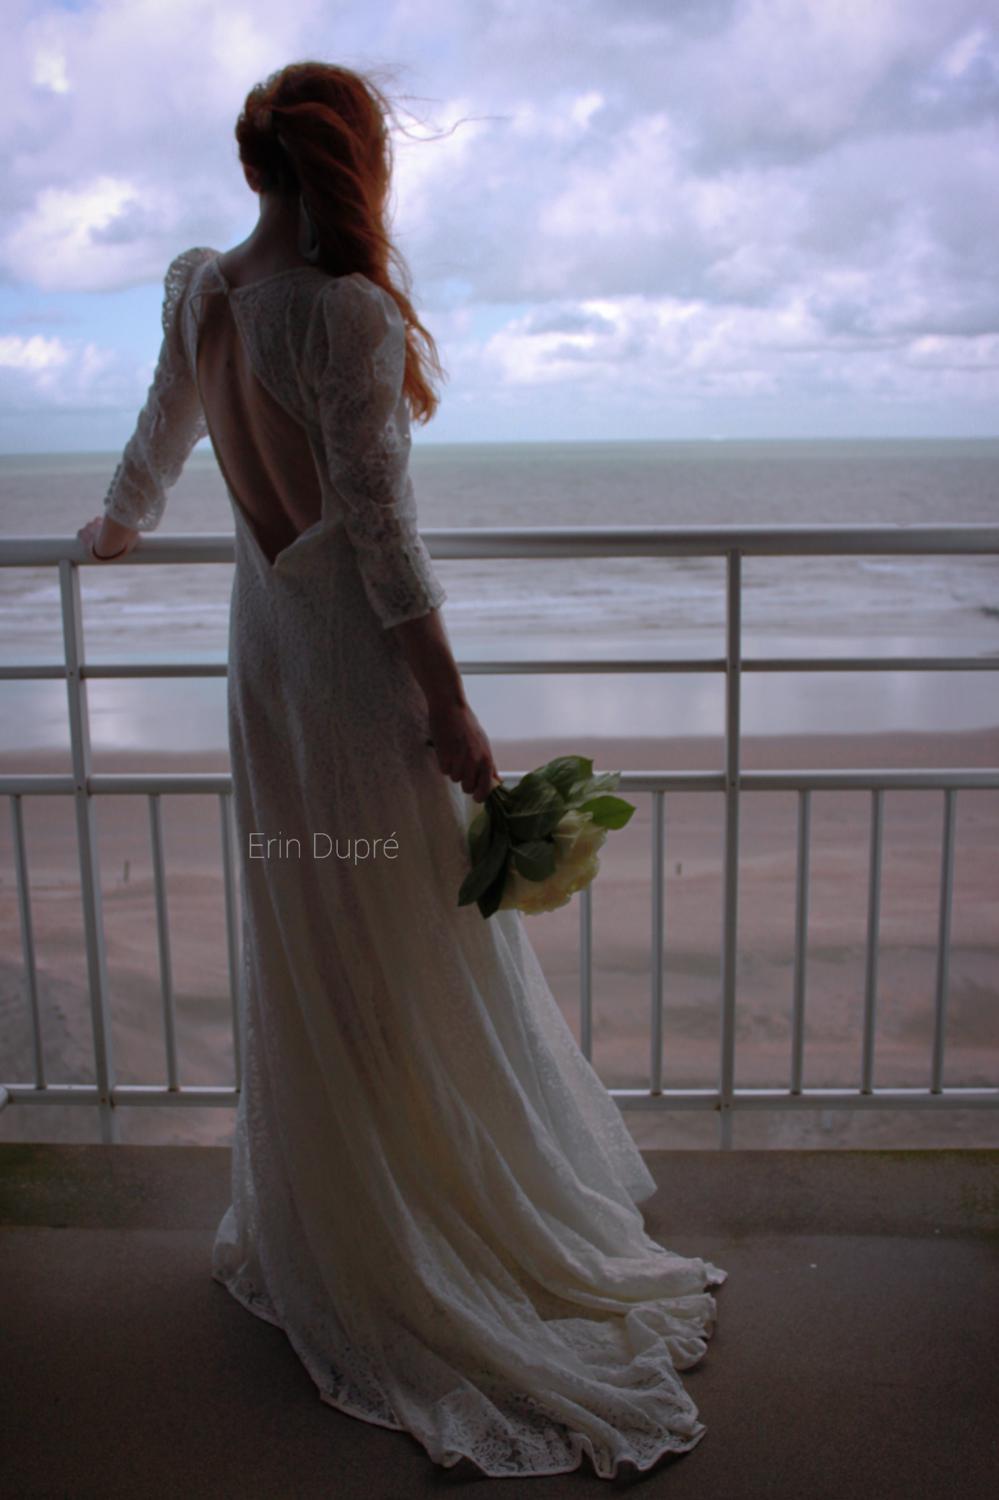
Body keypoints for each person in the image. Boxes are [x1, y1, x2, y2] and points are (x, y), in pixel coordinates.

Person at [78, 59, 726, 1481]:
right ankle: (416, 1222)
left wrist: (112, 533)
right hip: (348, 676)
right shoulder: (345, 314)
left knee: (317, 929)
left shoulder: (201, 294)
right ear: (354, 168)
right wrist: (454, 709)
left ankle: (338, 1209)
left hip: (263, 665)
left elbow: (154, 450)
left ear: (252, 168)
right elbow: (382, 541)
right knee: (406, 937)